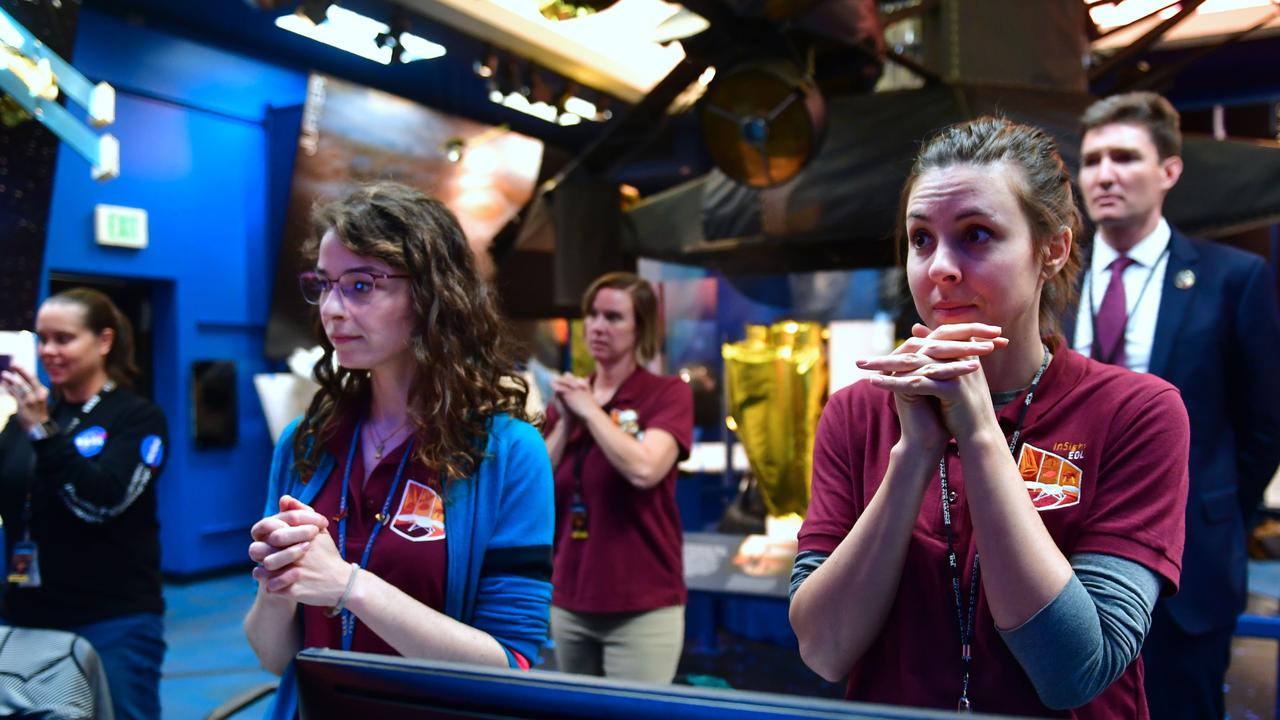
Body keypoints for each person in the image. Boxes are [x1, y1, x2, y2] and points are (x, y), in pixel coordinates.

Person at [789, 117, 1191, 717]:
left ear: (1050, 249)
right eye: (921, 239)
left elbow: (1075, 670)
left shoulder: (1136, 411)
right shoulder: (857, 413)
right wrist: (914, 454)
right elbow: (823, 650)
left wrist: (979, 434)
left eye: (976, 235)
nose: (940, 267)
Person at [243, 182, 554, 719]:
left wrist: (348, 586)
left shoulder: (507, 452)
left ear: (433, 295)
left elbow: (510, 665)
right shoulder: (307, 441)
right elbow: (276, 659)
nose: (332, 310)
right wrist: (278, 589)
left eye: (361, 286)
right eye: (325, 285)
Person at [1067, 91, 1280, 719]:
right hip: (1059, 561)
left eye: (1125, 157)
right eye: (1092, 159)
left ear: (1170, 170)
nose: (1104, 174)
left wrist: (1214, 511)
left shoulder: (1232, 278)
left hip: (1188, 569)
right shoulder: (1051, 282)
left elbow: (1264, 424)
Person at [0, 287, 168, 720]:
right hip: (29, 613)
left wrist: (43, 431)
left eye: (64, 338)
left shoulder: (137, 417)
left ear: (104, 341)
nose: (49, 351)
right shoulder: (28, 420)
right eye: (42, 338)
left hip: (112, 620)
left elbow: (100, 503)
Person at [543, 271, 692, 683]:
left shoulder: (666, 394)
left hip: (642, 605)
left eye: (613, 317)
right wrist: (565, 422)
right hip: (570, 599)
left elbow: (645, 469)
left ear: (640, 327)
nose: (597, 326)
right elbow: (537, 483)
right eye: (592, 315)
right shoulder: (569, 400)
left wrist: (591, 411)